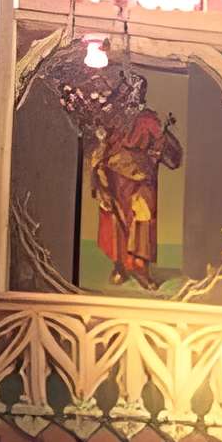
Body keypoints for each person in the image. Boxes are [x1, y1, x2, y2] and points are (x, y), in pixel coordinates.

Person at [88, 77, 182, 287]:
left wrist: (154, 153)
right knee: (116, 219)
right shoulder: (112, 116)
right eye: (126, 90)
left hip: (141, 181)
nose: (128, 95)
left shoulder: (149, 119)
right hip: (115, 178)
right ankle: (119, 265)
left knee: (142, 220)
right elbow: (103, 144)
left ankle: (140, 268)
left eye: (133, 91)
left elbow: (163, 147)